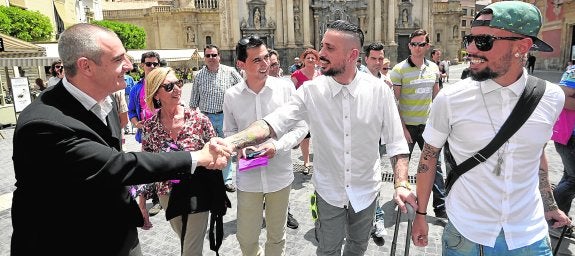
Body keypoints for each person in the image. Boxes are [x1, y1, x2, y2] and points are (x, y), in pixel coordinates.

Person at [10, 23, 230, 256]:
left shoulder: (105, 103)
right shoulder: (44, 124)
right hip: (67, 242)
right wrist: (196, 157)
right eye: (118, 60)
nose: (129, 65)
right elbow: (117, 164)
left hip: (117, 235)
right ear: (86, 66)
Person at [223, 20, 416, 255]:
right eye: (322, 46)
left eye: (330, 48)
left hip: (367, 192)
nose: (320, 54)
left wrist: (401, 183)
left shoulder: (379, 91)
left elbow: (396, 143)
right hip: (329, 193)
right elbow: (272, 123)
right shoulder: (310, 91)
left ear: (352, 55)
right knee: (327, 250)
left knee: (358, 246)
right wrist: (230, 143)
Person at [411, 2, 571, 255]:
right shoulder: (451, 98)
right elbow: (428, 157)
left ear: (522, 47)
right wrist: (420, 214)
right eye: (469, 40)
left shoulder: (551, 97)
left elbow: (536, 152)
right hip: (466, 234)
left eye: (484, 41)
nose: (471, 49)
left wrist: (549, 204)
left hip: (528, 235)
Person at [224, 36, 308, 256]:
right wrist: (239, 147)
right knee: (246, 237)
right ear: (241, 64)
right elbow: (230, 132)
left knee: (276, 236)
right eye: (256, 60)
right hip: (248, 177)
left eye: (266, 58)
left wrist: (278, 147)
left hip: (279, 175)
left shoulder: (285, 88)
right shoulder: (232, 96)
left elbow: (300, 127)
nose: (265, 65)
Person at [138, 67, 228, 255]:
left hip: (198, 190)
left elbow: (217, 151)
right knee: (187, 242)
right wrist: (141, 201)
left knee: (190, 249)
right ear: (156, 94)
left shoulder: (198, 119)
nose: (178, 89)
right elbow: (146, 166)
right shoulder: (150, 126)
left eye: (178, 83)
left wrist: (219, 158)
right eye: (169, 86)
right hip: (167, 193)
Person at [390, 29, 447, 219]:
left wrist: (438, 126)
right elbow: (394, 102)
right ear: (409, 46)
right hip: (406, 126)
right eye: (414, 44)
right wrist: (403, 128)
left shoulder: (433, 69)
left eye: (421, 44)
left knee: (435, 166)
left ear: (427, 46)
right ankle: (401, 195)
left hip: (427, 127)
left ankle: (440, 207)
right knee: (401, 164)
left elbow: (437, 98)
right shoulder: (399, 70)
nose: (417, 47)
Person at [191, 44, 243, 193]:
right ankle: (211, 180)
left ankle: (226, 180)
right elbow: (194, 101)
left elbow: (243, 89)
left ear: (219, 56)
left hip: (226, 117)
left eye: (214, 55)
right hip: (206, 118)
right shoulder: (198, 76)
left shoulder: (230, 72)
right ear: (204, 57)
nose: (211, 58)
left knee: (226, 149)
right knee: (208, 150)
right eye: (208, 56)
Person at [267, 48, 301, 230]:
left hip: (281, 145)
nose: (273, 68)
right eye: (271, 64)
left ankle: (285, 212)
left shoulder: (286, 86)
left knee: (282, 181)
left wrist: (293, 138)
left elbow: (295, 114)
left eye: (275, 64)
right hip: (259, 148)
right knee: (260, 181)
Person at [363, 41, 392, 245]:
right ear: (366, 59)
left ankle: (377, 219)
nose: (377, 62)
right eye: (373, 58)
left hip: (378, 140)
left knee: (375, 180)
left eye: (380, 58)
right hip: (361, 140)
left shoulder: (386, 82)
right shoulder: (358, 81)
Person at [127, 51, 163, 217]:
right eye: (149, 64)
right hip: (147, 135)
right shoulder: (137, 88)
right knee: (149, 167)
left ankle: (164, 196)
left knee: (165, 164)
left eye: (155, 64)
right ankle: (155, 199)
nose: (152, 67)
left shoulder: (164, 84)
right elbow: (132, 111)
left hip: (164, 133)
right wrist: (136, 124)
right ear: (142, 65)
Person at [552, 69, 575, 238]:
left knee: (569, 177)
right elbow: (562, 97)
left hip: (569, 138)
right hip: (571, 137)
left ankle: (558, 218)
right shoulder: (573, 72)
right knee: (572, 180)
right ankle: (555, 221)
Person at [290, 48, 320, 174]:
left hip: (318, 110)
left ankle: (320, 163)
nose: (311, 59)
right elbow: (291, 93)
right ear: (304, 60)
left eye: (313, 58)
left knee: (320, 137)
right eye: (308, 58)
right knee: (305, 137)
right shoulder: (296, 75)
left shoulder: (320, 75)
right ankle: (306, 163)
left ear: (316, 60)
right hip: (303, 111)